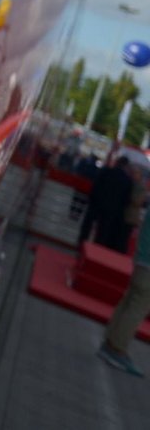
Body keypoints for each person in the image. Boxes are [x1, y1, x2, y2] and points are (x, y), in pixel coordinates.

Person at [99, 173, 150, 376]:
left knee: (128, 301)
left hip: (141, 260)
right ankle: (117, 349)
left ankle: (110, 341)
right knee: (137, 308)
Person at [81, 156, 136, 253]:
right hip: (112, 211)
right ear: (126, 166)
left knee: (87, 227)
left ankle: (81, 246)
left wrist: (92, 200)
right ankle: (95, 252)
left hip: (96, 204)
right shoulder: (127, 181)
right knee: (102, 233)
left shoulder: (105, 171)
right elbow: (126, 200)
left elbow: (96, 187)